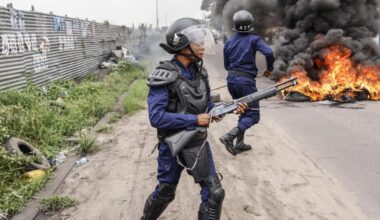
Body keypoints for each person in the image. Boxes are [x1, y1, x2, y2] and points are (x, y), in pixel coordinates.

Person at [141, 18, 248, 220]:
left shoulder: (200, 71)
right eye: (197, 41)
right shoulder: (163, 75)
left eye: (202, 40)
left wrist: (229, 108)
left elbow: (206, 106)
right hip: (172, 147)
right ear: (181, 44)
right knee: (165, 193)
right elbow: (156, 117)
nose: (203, 45)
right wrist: (194, 120)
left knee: (215, 194)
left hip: (197, 144)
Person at [220, 10, 275, 156]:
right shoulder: (253, 39)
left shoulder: (229, 41)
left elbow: (226, 65)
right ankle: (229, 136)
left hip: (231, 80)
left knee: (243, 109)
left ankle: (239, 144)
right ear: (250, 24)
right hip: (246, 83)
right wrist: (269, 69)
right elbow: (269, 53)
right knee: (253, 116)